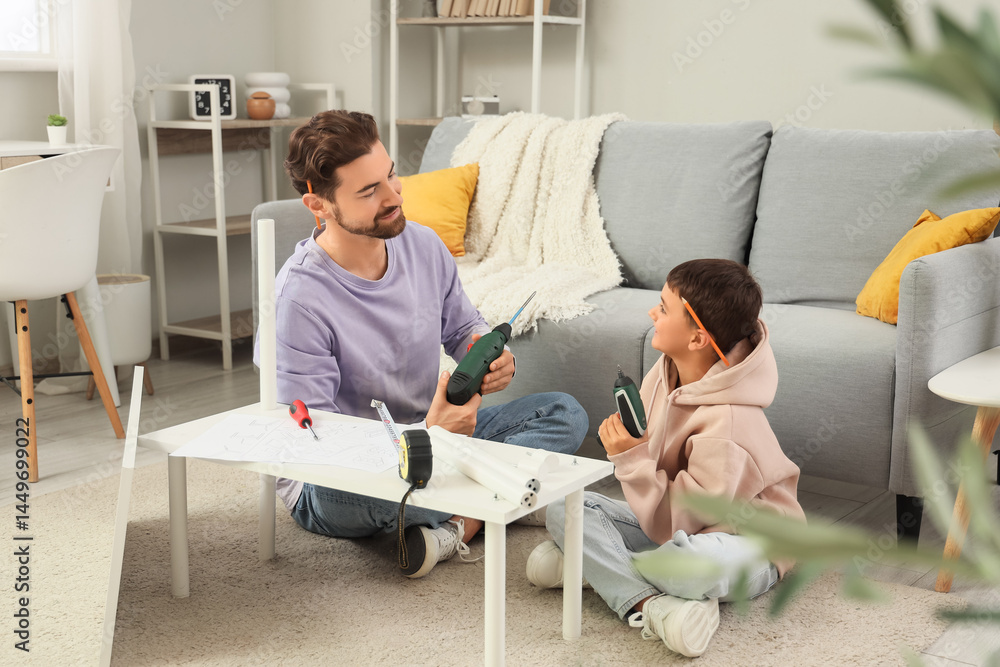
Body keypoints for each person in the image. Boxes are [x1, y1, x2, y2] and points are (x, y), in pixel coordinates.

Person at [254, 110, 587, 579]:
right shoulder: (299, 299)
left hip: (433, 439)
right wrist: (428, 437)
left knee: (563, 412)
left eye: (391, 175)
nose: (392, 197)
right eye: (369, 191)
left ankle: (459, 524)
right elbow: (311, 441)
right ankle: (508, 497)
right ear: (319, 205)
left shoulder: (424, 246)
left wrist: (491, 359)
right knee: (352, 494)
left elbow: (464, 330)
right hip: (339, 479)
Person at [525, 258, 806, 657]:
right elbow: (663, 521)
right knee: (566, 509)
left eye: (664, 307)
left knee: (681, 563)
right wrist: (634, 449)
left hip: (747, 542)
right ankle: (652, 607)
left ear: (696, 340)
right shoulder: (667, 371)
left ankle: (600, 568)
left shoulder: (727, 424)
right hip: (675, 528)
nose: (652, 312)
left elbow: (687, 521)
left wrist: (631, 460)